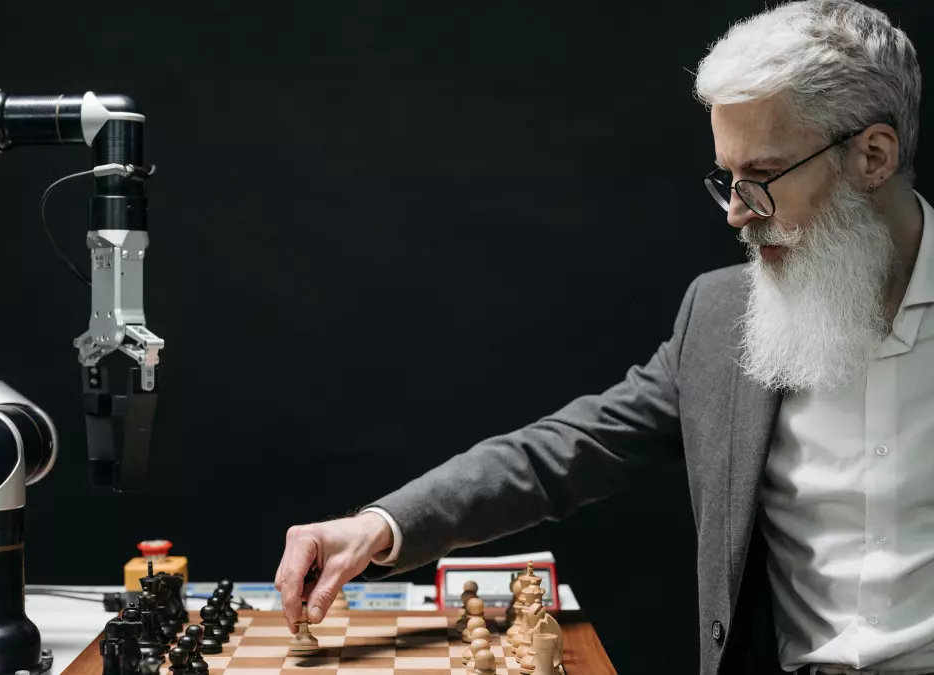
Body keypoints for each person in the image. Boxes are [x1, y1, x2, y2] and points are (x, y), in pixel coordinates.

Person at [272, 2, 931, 675]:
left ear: (872, 156)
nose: (737, 214)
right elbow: (571, 447)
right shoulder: (720, 312)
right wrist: (380, 524)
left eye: (759, 179)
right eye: (726, 180)